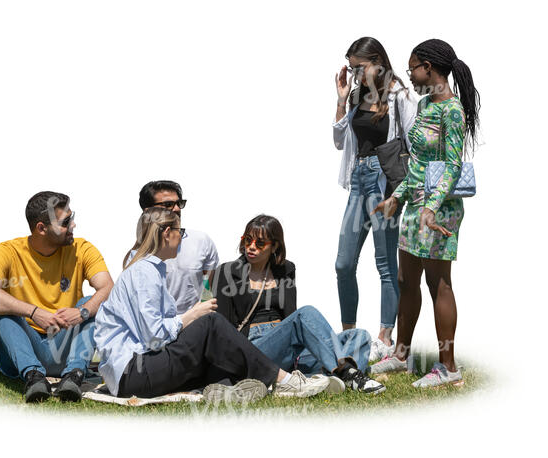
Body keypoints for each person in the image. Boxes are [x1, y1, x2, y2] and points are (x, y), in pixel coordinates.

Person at [95, 208, 331, 403]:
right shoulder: (143, 273)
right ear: (167, 233)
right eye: (180, 231)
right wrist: (191, 316)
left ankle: (227, 389)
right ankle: (283, 381)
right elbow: (153, 336)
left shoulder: (148, 270)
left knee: (207, 334)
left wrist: (189, 320)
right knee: (210, 322)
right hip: (135, 372)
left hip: (136, 371)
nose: (182, 237)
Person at [370, 39, 480, 387]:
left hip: (440, 210)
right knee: (406, 280)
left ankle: (448, 368)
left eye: (412, 68)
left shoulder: (451, 110)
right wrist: (397, 198)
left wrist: (432, 209)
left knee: (439, 283)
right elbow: (418, 165)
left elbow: (452, 166)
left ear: (428, 68)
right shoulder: (424, 104)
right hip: (416, 205)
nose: (411, 75)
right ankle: (401, 356)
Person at [213, 214, 386, 395]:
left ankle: (318, 378)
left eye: (260, 243)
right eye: (247, 240)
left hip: (287, 343)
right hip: (254, 348)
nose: (251, 247)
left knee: (359, 336)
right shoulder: (227, 272)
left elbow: (290, 316)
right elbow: (223, 328)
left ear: (275, 246)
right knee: (306, 314)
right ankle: (349, 375)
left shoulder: (286, 270)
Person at [0, 191, 114, 402]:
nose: (73, 225)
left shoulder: (82, 249)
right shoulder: (7, 251)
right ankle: (33, 376)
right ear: (41, 228)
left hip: (63, 347)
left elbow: (108, 288)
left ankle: (74, 375)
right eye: (65, 221)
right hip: (20, 351)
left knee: (89, 304)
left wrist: (81, 312)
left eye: (72, 217)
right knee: (4, 310)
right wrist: (34, 312)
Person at [333, 37, 419, 362]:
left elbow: (414, 147)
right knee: (343, 263)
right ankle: (349, 335)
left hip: (384, 184)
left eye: (360, 66)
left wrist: (401, 194)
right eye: (352, 67)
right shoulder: (357, 95)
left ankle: (385, 336)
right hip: (358, 179)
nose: (355, 73)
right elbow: (339, 142)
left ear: (378, 61)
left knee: (385, 264)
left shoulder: (400, 97)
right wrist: (341, 101)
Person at [138, 180, 219, 314]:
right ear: (148, 211)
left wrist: (203, 305)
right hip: (160, 327)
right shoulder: (139, 254)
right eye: (168, 204)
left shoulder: (201, 240)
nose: (176, 209)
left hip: (197, 322)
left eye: (179, 203)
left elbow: (208, 281)